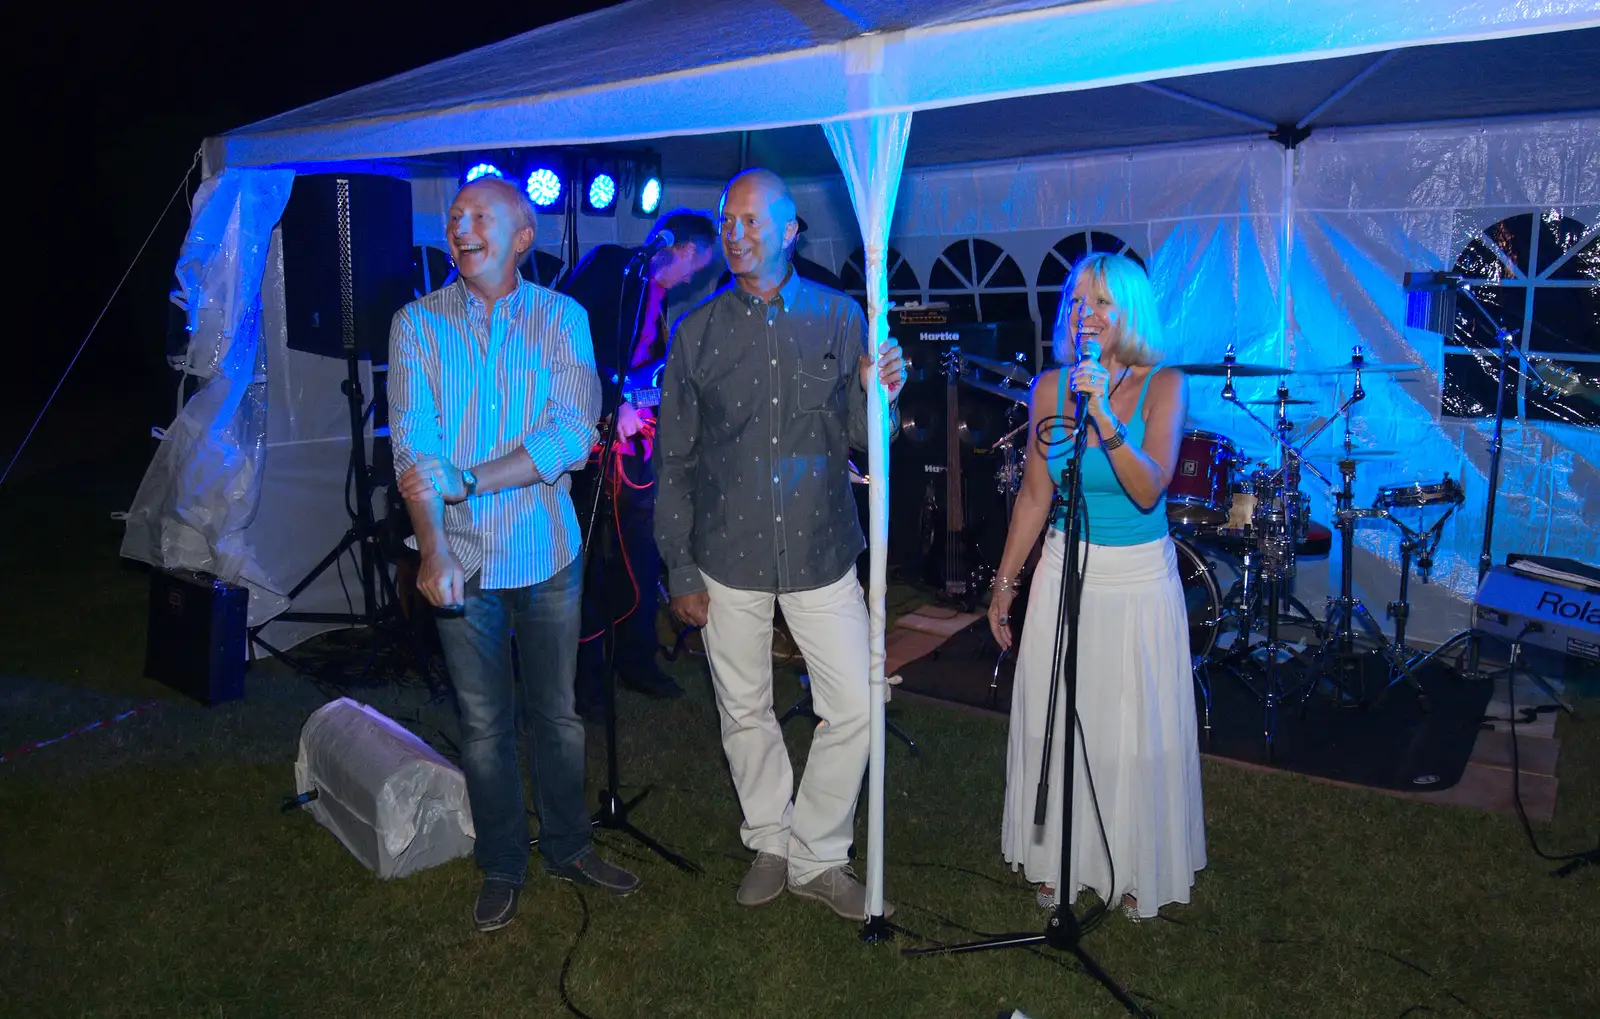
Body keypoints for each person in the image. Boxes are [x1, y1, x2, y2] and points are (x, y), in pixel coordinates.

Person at [654, 168, 907, 921]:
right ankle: (770, 836)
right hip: (726, 553)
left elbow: (868, 446)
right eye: (726, 221)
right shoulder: (694, 333)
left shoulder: (841, 317)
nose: (734, 233)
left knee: (856, 705)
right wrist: (679, 566)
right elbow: (675, 460)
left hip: (822, 544)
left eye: (750, 221)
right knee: (745, 707)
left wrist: (877, 393)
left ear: (790, 230)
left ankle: (818, 851)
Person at [389, 175, 639, 934]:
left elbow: (572, 432)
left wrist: (474, 477)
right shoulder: (417, 326)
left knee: (556, 715)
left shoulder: (562, 318)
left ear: (523, 237)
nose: (462, 227)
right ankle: (503, 860)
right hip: (462, 558)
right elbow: (414, 448)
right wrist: (432, 547)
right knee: (484, 723)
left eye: (481, 216)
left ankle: (568, 843)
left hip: (546, 552)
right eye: (455, 216)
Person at [985, 252, 1205, 922]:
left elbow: (1148, 487)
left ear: (1130, 311)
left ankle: (1136, 859)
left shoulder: (1165, 384)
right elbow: (1032, 491)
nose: (1087, 311)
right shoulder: (1050, 386)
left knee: (1132, 728)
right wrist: (1004, 583)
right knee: (1059, 717)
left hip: (1137, 577)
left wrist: (1104, 419)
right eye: (1078, 300)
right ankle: (1060, 858)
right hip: (1062, 566)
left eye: (1103, 301)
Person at [560, 211, 719, 716]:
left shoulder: (659, 295)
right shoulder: (613, 268)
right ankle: (584, 683)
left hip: (636, 454)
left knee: (641, 556)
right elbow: (560, 342)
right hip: (593, 448)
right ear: (686, 251)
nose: (694, 278)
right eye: (697, 267)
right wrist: (612, 397)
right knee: (593, 565)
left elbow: (643, 364)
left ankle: (636, 660)